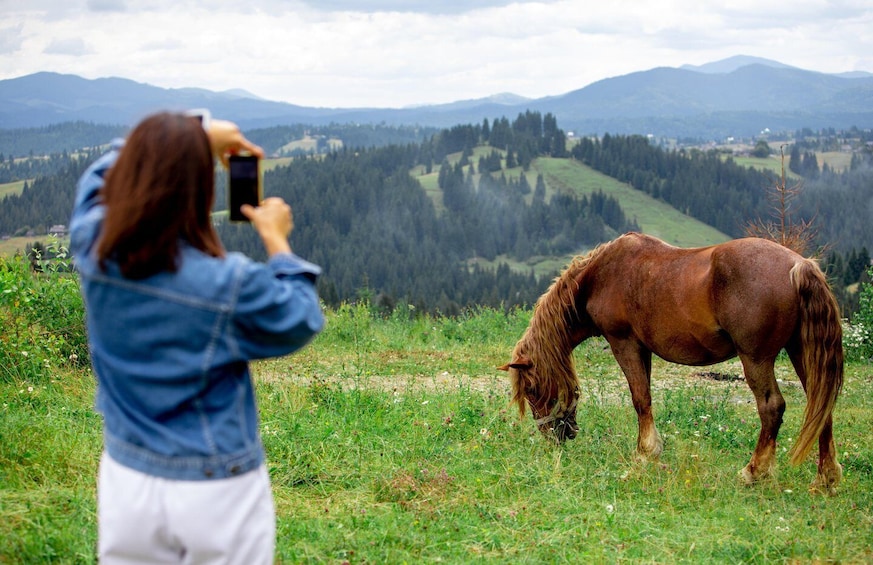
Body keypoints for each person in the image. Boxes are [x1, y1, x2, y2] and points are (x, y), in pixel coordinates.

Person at [70, 111, 324, 564]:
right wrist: (278, 242)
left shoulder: (94, 246)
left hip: (128, 476)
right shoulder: (227, 284)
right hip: (216, 484)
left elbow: (102, 174)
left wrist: (194, 134)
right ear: (198, 193)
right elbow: (300, 317)